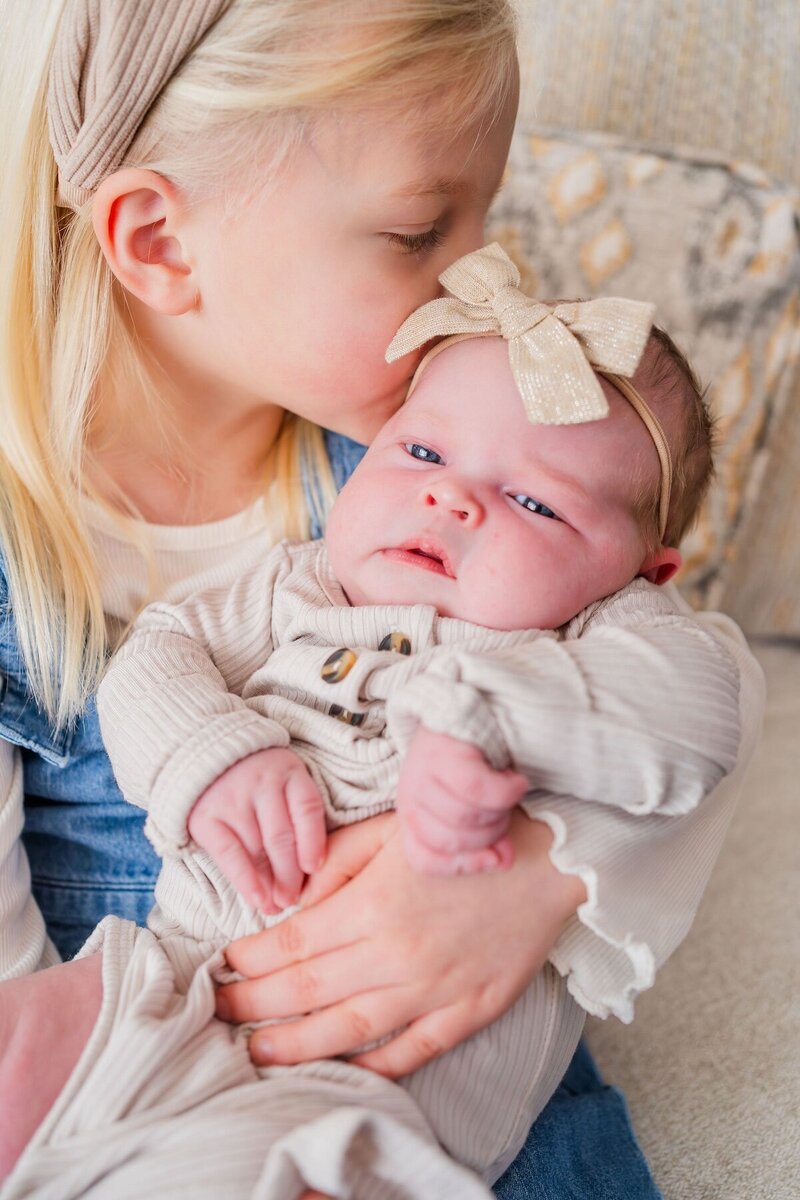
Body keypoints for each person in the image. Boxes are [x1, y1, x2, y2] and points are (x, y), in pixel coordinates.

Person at [0, 1, 764, 1195]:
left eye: (484, 221)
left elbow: (692, 688)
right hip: (132, 1010)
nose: (479, 280)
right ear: (159, 241)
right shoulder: (28, 531)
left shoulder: (429, 458)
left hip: (414, 1051)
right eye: (419, 231)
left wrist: (542, 871)